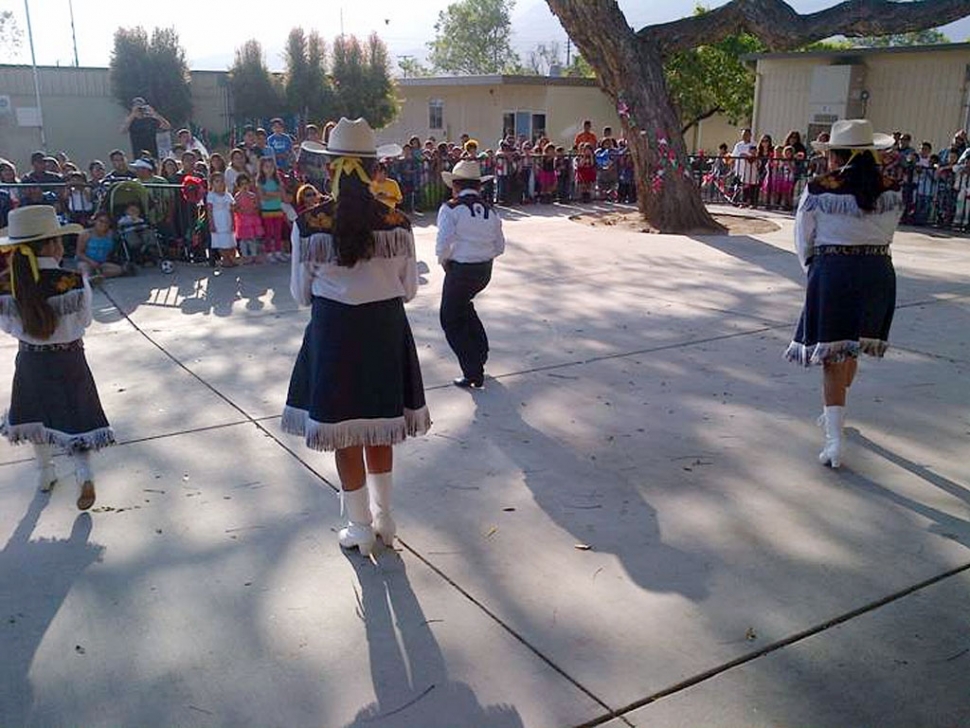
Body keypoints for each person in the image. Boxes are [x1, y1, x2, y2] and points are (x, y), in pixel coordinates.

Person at [282, 117, 430, 556]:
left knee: (344, 432)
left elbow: (300, 295)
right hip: (384, 329)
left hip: (334, 332)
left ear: (331, 169)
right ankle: (386, 521)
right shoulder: (398, 221)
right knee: (380, 426)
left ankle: (359, 526)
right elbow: (410, 290)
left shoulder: (309, 224)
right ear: (375, 169)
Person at [785, 119, 903, 469]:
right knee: (851, 346)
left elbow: (803, 237)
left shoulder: (819, 188)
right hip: (879, 272)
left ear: (836, 157)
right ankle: (835, 417)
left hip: (836, 271)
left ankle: (835, 438)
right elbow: (889, 232)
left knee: (832, 355)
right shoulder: (892, 188)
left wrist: (813, 269)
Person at [0, 206, 115, 509]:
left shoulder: (7, 285)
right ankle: (83, 473)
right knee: (75, 415)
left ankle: (45, 474)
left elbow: (9, 326)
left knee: (36, 418)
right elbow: (85, 322)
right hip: (70, 359)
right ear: (50, 245)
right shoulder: (73, 281)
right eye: (58, 240)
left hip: (30, 361)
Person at [436, 159, 505, 389]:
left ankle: (473, 370)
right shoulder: (490, 210)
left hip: (461, 269)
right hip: (484, 270)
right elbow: (499, 247)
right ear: (478, 186)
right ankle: (480, 351)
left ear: (455, 185)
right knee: (463, 307)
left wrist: (444, 261)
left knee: (450, 318)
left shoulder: (451, 207)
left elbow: (443, 243)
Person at [76, 211, 124, 279]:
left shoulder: (111, 234)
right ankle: (90, 277)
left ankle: (97, 276)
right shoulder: (85, 234)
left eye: (106, 222)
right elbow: (79, 253)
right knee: (85, 272)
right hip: (86, 261)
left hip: (101, 263)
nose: (103, 224)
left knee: (119, 270)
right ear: (95, 221)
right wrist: (91, 261)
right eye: (101, 221)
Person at [257, 157, 287, 262]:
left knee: (278, 232)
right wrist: (275, 194)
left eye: (271, 167)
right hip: (267, 210)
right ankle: (269, 252)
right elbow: (262, 197)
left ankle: (278, 252)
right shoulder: (261, 181)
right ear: (262, 168)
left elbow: (282, 195)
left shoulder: (277, 180)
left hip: (277, 208)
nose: (269, 169)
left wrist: (269, 193)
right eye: (266, 167)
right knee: (269, 233)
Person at [206, 171, 236, 267]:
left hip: (227, 219)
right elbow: (209, 210)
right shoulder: (211, 195)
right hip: (217, 220)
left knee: (229, 241)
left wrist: (233, 222)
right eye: (217, 181)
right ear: (212, 183)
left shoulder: (228, 195)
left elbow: (231, 210)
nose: (220, 183)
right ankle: (224, 259)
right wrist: (211, 224)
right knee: (221, 240)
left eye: (222, 181)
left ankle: (230, 258)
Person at [232, 172, 263, 264]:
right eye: (242, 184)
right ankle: (245, 256)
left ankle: (254, 255)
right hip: (242, 220)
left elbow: (256, 206)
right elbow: (236, 208)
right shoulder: (237, 196)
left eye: (246, 183)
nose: (244, 186)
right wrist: (242, 211)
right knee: (243, 240)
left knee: (253, 238)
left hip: (252, 219)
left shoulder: (252, 195)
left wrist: (254, 210)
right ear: (238, 186)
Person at [731, 128, 759, 207]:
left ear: (750, 135)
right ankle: (742, 201)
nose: (744, 136)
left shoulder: (754, 144)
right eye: (743, 135)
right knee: (741, 187)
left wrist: (747, 156)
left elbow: (755, 155)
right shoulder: (738, 145)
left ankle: (752, 202)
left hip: (751, 169)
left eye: (746, 135)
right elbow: (734, 156)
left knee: (752, 186)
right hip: (739, 169)